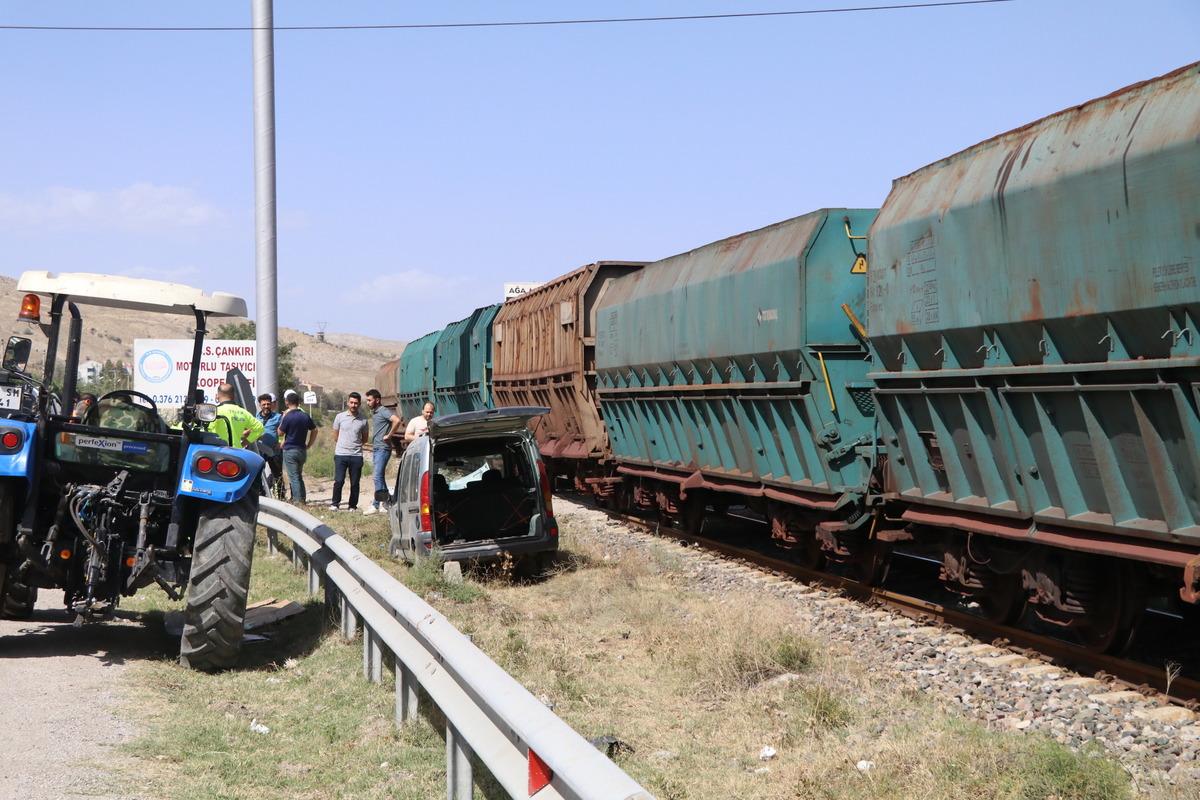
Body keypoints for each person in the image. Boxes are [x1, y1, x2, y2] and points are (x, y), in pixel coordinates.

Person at [363, 389, 403, 516]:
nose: (368, 402)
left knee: (377, 476)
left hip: (383, 449)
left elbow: (396, 420)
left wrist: (389, 435)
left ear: (377, 400)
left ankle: (377, 504)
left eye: (369, 400)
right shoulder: (375, 412)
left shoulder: (383, 410)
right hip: (377, 448)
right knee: (379, 477)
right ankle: (387, 501)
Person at [277, 390, 318, 504]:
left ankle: (298, 501)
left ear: (287, 402)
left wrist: (283, 418)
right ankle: (302, 498)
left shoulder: (288, 416)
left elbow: (280, 433)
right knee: (299, 476)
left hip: (290, 450)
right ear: (298, 402)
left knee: (293, 477)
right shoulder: (305, 416)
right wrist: (309, 444)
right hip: (302, 450)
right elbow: (314, 430)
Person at [330, 392, 369, 511]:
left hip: (356, 455)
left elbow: (365, 438)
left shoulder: (363, 420)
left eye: (356, 403)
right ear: (348, 403)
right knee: (339, 480)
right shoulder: (340, 417)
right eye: (351, 402)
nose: (353, 405)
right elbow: (335, 436)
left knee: (355, 483)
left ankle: (352, 506)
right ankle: (335, 504)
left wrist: (355, 446)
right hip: (341, 454)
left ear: (359, 404)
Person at [208, 383, 264, 448]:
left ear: (217, 396)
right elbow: (260, 428)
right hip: (237, 452)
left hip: (219, 451)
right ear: (233, 396)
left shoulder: (215, 411)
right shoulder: (243, 412)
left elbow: (208, 430)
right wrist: (243, 444)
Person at [257, 393, 284, 495]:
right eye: (264, 404)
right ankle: (260, 494)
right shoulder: (255, 417)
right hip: (260, 450)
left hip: (274, 451)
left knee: (278, 474)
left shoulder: (278, 417)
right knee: (258, 474)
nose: (266, 406)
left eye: (268, 404)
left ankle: (281, 495)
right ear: (260, 405)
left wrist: (281, 442)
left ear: (271, 404)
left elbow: (285, 430)